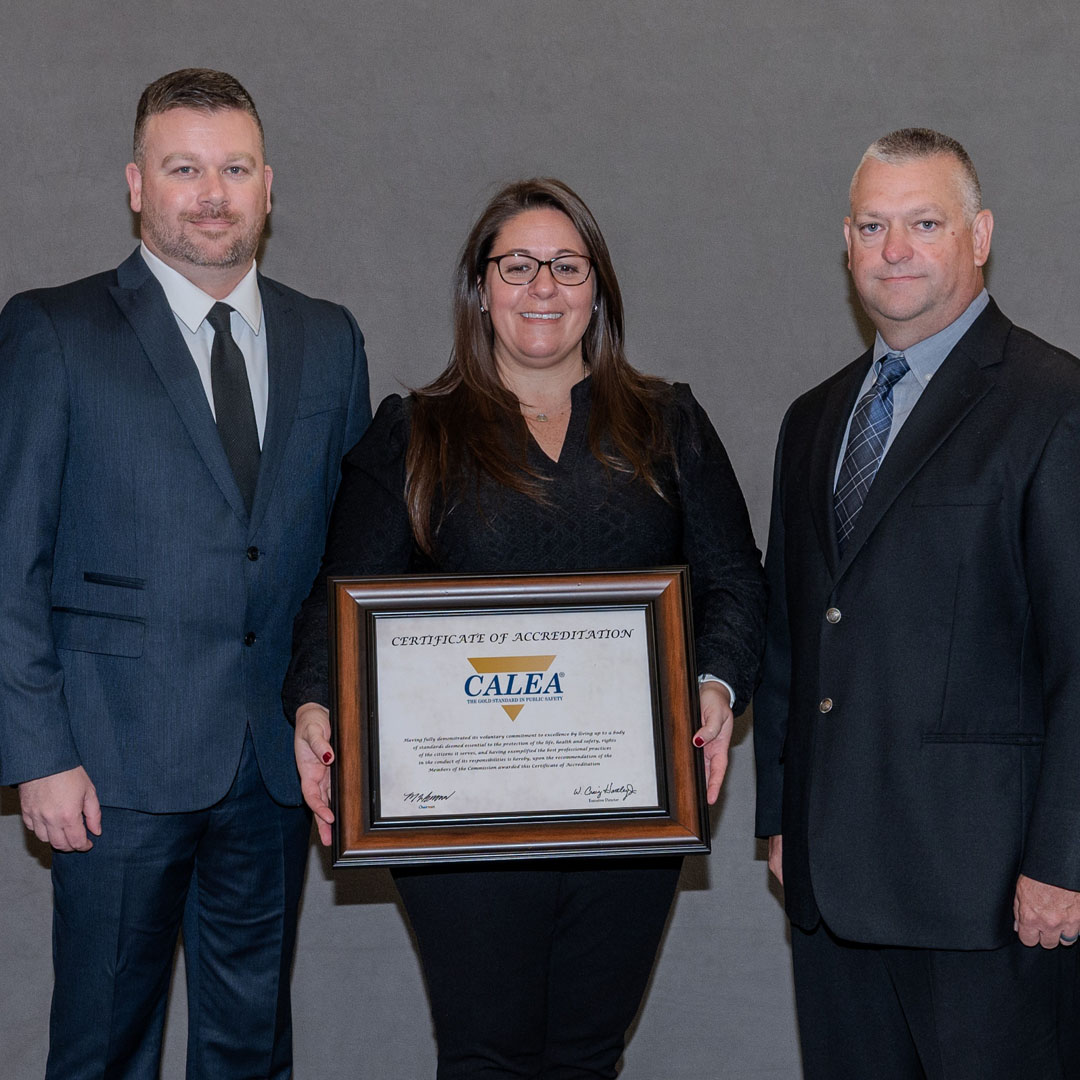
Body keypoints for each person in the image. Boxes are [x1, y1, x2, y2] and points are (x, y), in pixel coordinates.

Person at [284, 177, 765, 1078]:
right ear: (481, 288)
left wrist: (714, 684)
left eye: (566, 266)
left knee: (587, 1053)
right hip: (464, 818)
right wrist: (316, 703)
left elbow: (738, 584)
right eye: (517, 265)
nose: (542, 286)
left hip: (626, 807)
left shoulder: (669, 425)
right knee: (485, 1054)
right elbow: (338, 598)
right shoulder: (414, 434)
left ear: (598, 290)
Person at [0, 68, 370, 1078]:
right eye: (184, 168)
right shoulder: (52, 331)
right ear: (135, 184)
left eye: (235, 168)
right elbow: (8, 559)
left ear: (268, 186)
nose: (212, 192)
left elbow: (346, 559)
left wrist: (323, 706)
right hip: (108, 765)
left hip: (269, 765)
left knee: (250, 1047)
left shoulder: (328, 341)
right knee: (102, 1047)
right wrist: (38, 753)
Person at [754, 127, 1080, 1079]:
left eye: (923, 223)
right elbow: (792, 631)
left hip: (990, 897)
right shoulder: (814, 419)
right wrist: (781, 820)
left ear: (979, 236)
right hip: (830, 889)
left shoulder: (1053, 403)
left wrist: (1065, 860)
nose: (893, 249)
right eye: (871, 225)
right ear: (846, 245)